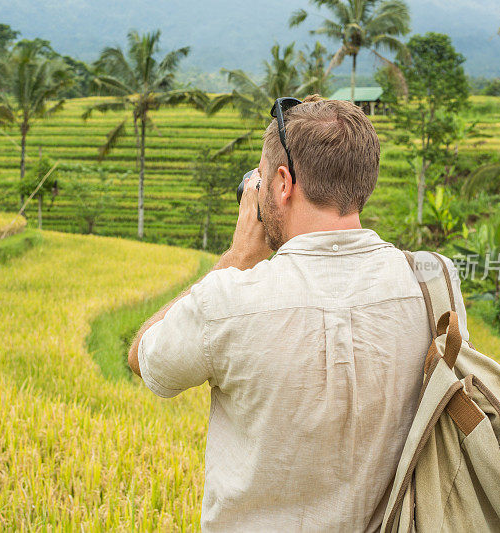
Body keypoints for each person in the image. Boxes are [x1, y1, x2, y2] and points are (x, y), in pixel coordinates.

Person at [127, 95, 466, 531]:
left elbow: (144, 358)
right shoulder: (434, 281)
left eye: (262, 180)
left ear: (283, 184)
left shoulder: (228, 300)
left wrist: (236, 258)